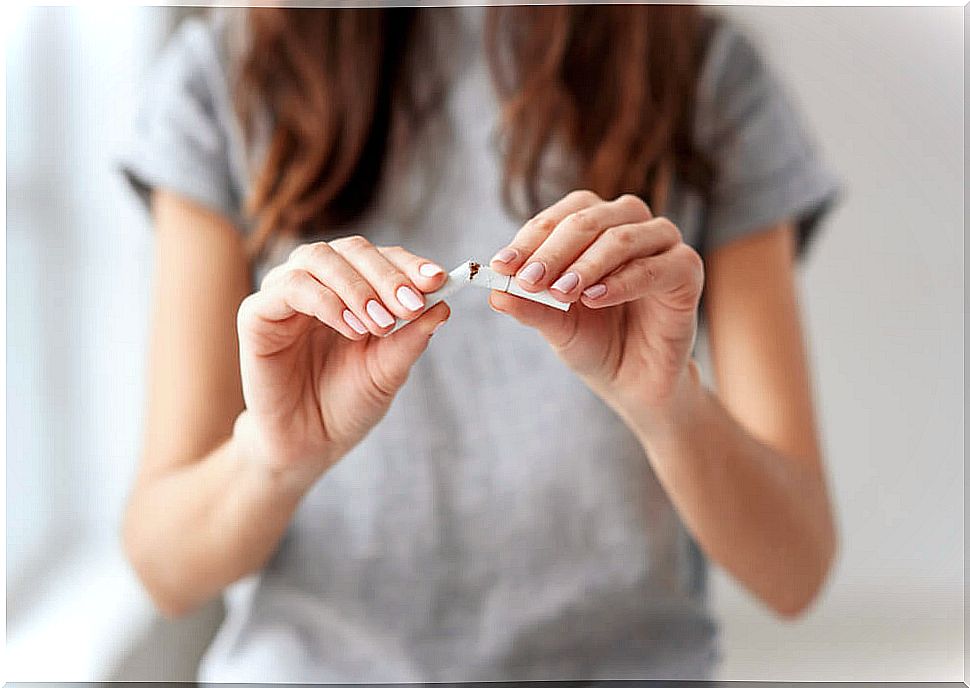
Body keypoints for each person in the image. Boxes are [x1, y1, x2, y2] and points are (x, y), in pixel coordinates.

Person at [119, 5, 841, 682]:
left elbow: (796, 568)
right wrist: (273, 460)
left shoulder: (704, 71)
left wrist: (671, 409)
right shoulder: (228, 71)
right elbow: (164, 567)